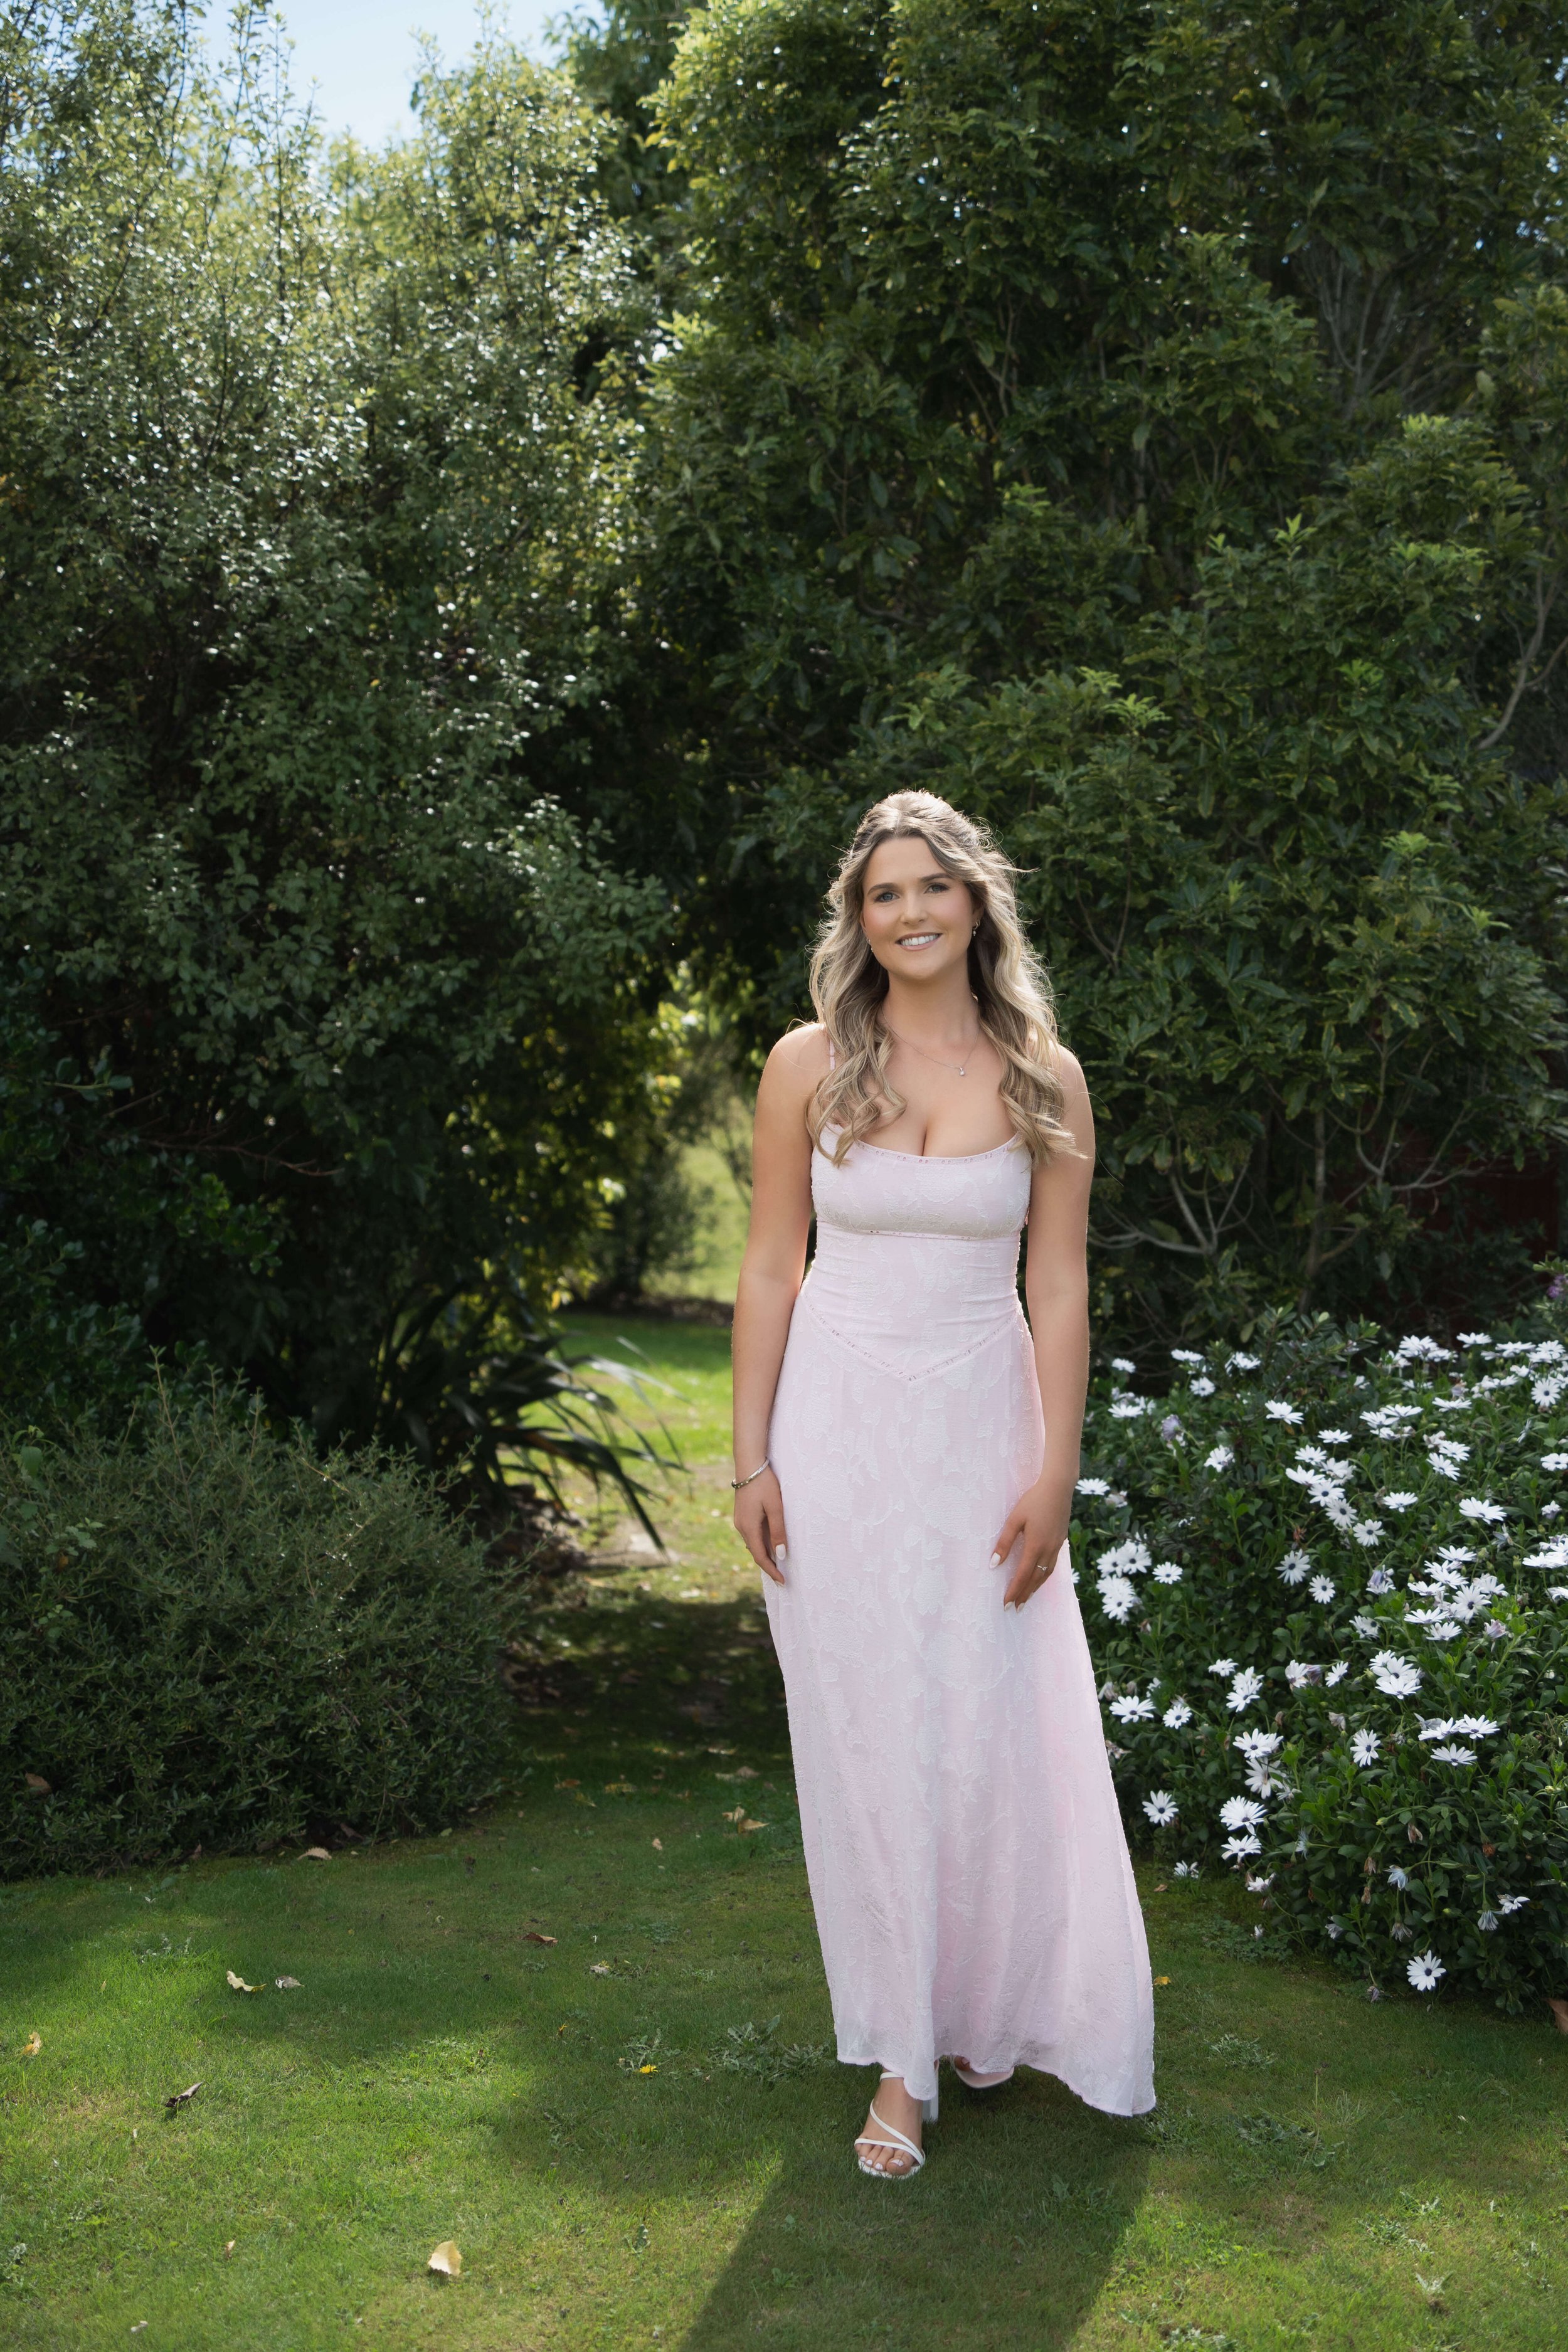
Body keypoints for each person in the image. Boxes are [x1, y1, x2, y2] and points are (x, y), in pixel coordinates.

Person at [730, 790, 1154, 2179]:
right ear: (857, 920)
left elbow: (1059, 1278)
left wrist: (1056, 1468)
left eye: (931, 888)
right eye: (880, 895)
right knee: (866, 1741)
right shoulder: (805, 1063)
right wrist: (748, 1456)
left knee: (986, 1724)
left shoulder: (1044, 1071)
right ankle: (900, 2064)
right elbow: (770, 1265)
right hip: (834, 1430)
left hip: (982, 1424)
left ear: (975, 903)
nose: (907, 913)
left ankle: (979, 2013)